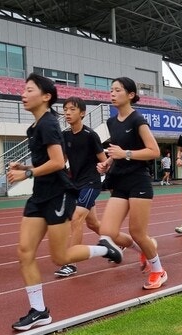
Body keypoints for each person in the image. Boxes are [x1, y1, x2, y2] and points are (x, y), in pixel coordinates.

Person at [8, 74, 122, 331]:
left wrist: (26, 173)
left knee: (60, 256)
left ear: (46, 97)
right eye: (23, 90)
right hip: (39, 196)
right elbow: (47, 161)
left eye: (29, 90)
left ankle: (105, 249)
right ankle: (39, 311)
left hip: (58, 194)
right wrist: (25, 166)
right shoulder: (35, 128)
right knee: (24, 252)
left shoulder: (48, 124)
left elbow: (58, 163)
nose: (23, 94)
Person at [97, 77, 167, 290]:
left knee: (137, 231)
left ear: (130, 95)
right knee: (107, 231)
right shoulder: (111, 122)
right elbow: (117, 150)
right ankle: (145, 250)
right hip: (120, 180)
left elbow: (153, 151)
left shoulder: (138, 120)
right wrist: (108, 162)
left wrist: (125, 153)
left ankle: (158, 270)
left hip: (139, 180)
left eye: (117, 90)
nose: (112, 93)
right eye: (111, 90)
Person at [55, 97, 133, 278]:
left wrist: (110, 174)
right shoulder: (65, 136)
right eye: (65, 109)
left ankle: (71, 262)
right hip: (75, 184)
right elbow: (63, 160)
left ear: (82, 113)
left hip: (91, 183)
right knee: (93, 224)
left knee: (76, 219)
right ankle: (116, 242)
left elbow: (103, 160)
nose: (67, 112)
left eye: (72, 109)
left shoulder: (90, 135)